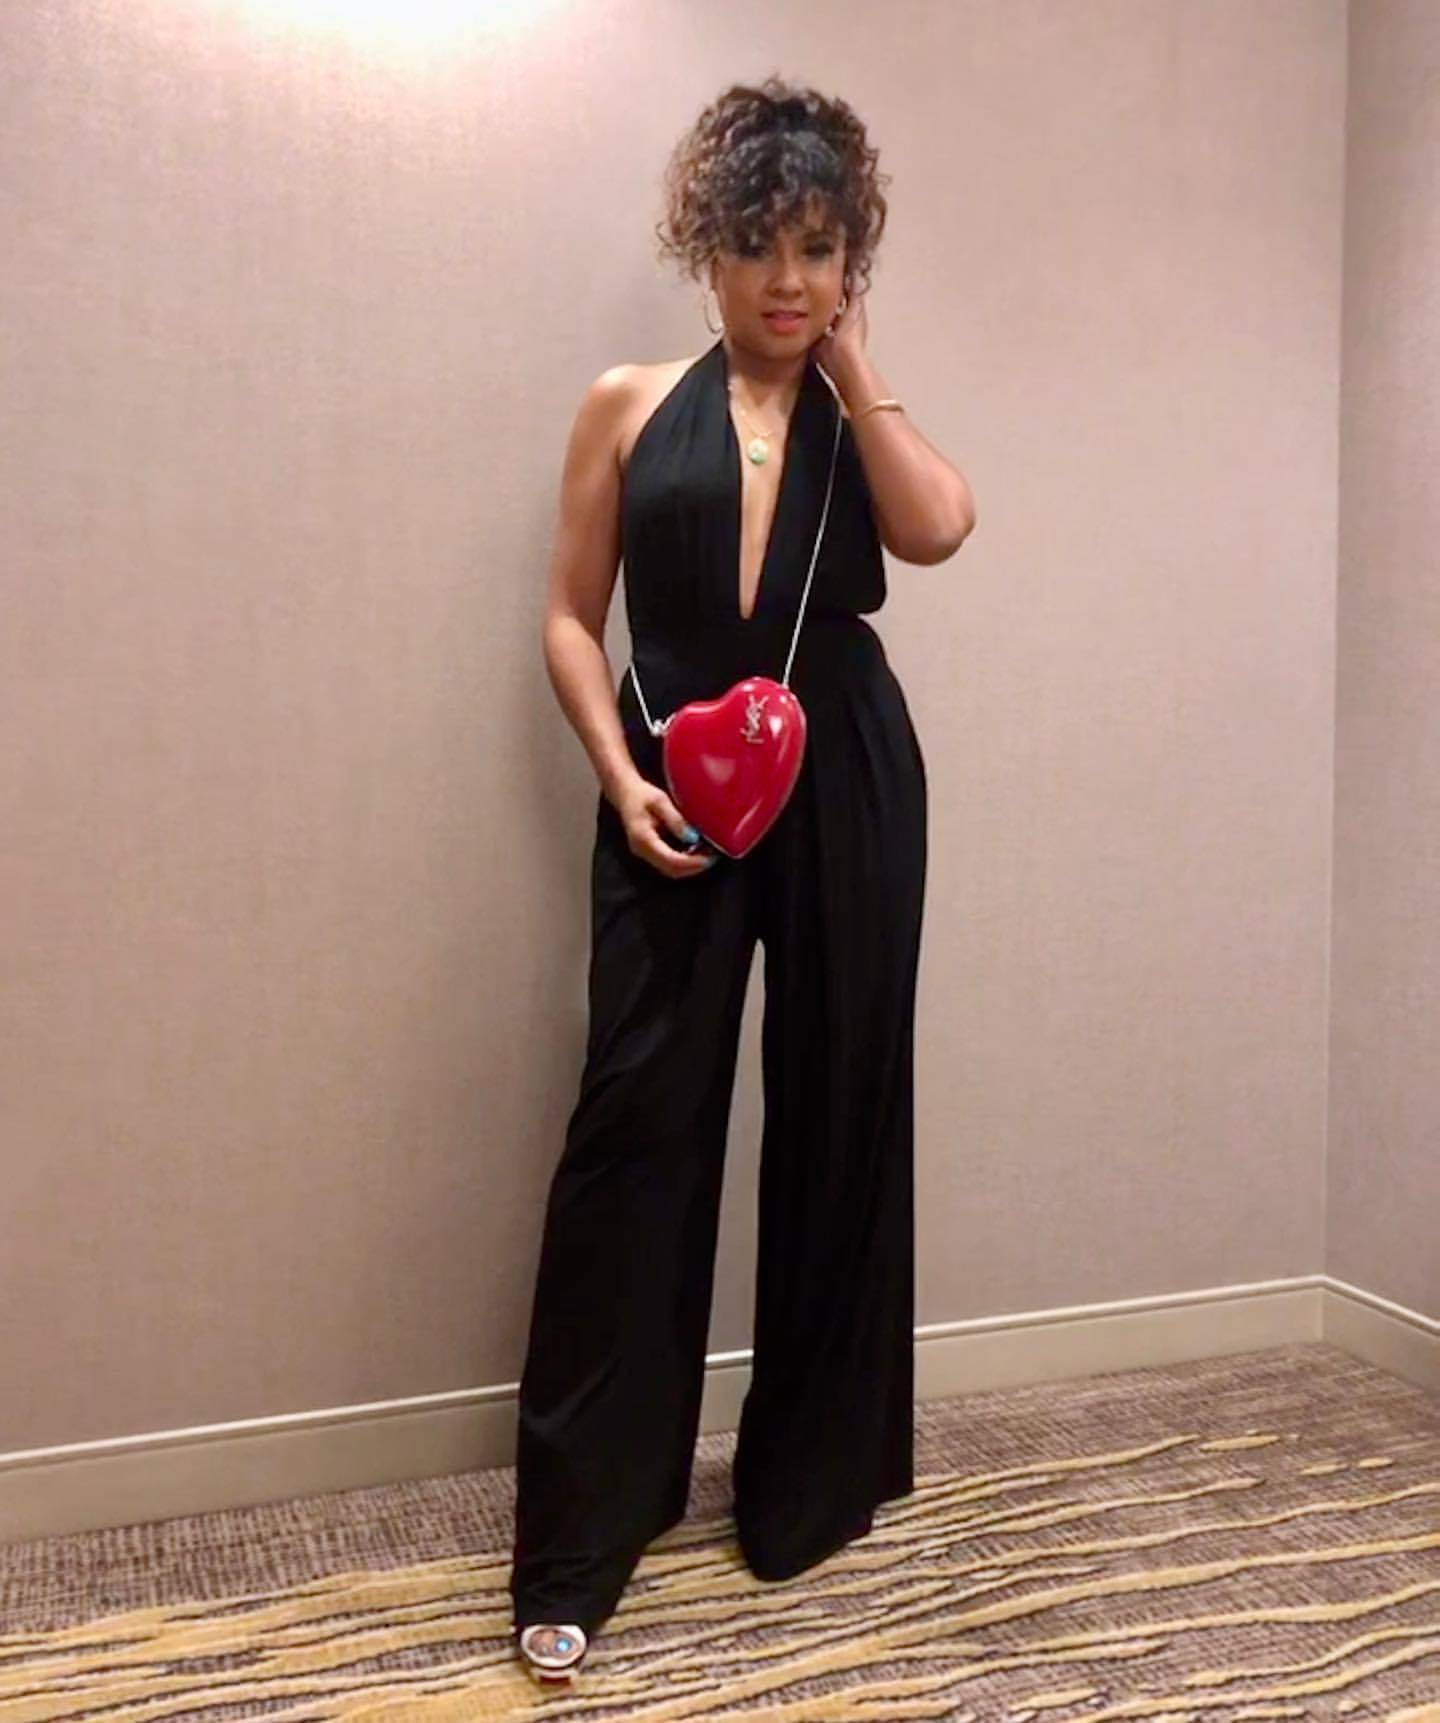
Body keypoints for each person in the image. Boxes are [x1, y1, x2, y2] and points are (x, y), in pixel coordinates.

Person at [508, 75, 976, 1685]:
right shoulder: (629, 404)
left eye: (821, 249)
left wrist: (858, 367)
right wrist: (616, 772)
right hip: (671, 773)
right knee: (636, 1129)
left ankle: (808, 1486)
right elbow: (571, 616)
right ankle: (586, 1527)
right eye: (761, 244)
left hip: (845, 770)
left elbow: (942, 531)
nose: (788, 277)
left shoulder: (858, 418)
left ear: (853, 265)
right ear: (705, 249)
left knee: (845, 1105)